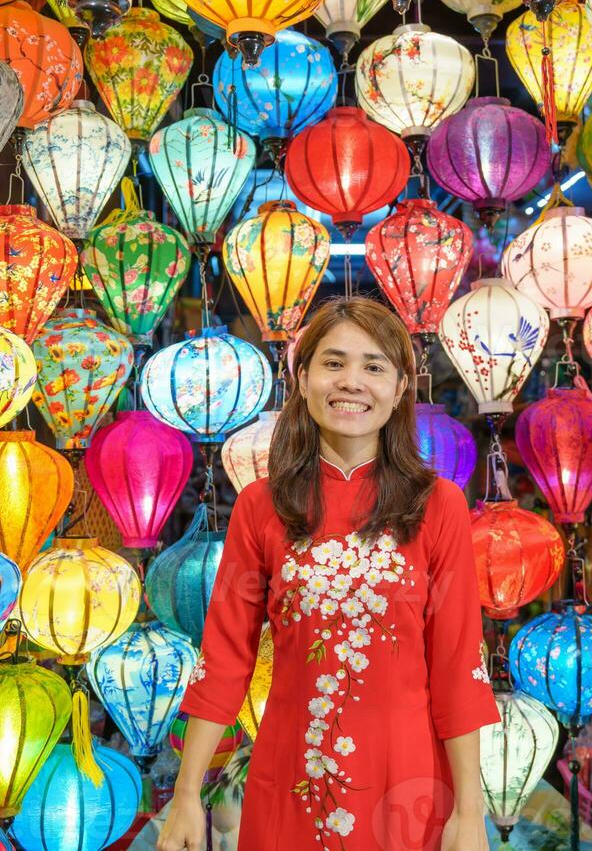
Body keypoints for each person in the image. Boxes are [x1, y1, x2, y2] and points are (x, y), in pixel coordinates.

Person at [157, 296, 499, 851]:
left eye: (374, 366)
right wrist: (187, 793)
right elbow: (223, 661)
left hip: (408, 788)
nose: (352, 382)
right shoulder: (260, 507)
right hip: (290, 780)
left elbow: (459, 667)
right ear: (303, 377)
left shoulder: (439, 506)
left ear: (401, 386)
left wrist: (469, 810)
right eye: (333, 363)